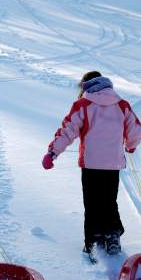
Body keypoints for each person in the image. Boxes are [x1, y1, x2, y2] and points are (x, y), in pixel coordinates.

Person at [42, 71, 141, 255]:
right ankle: (112, 237)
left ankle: (93, 240)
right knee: (109, 201)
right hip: (113, 165)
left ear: (85, 85)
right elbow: (135, 130)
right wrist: (131, 146)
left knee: (92, 202)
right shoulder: (121, 104)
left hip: (91, 164)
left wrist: (52, 153)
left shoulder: (82, 105)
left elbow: (67, 130)